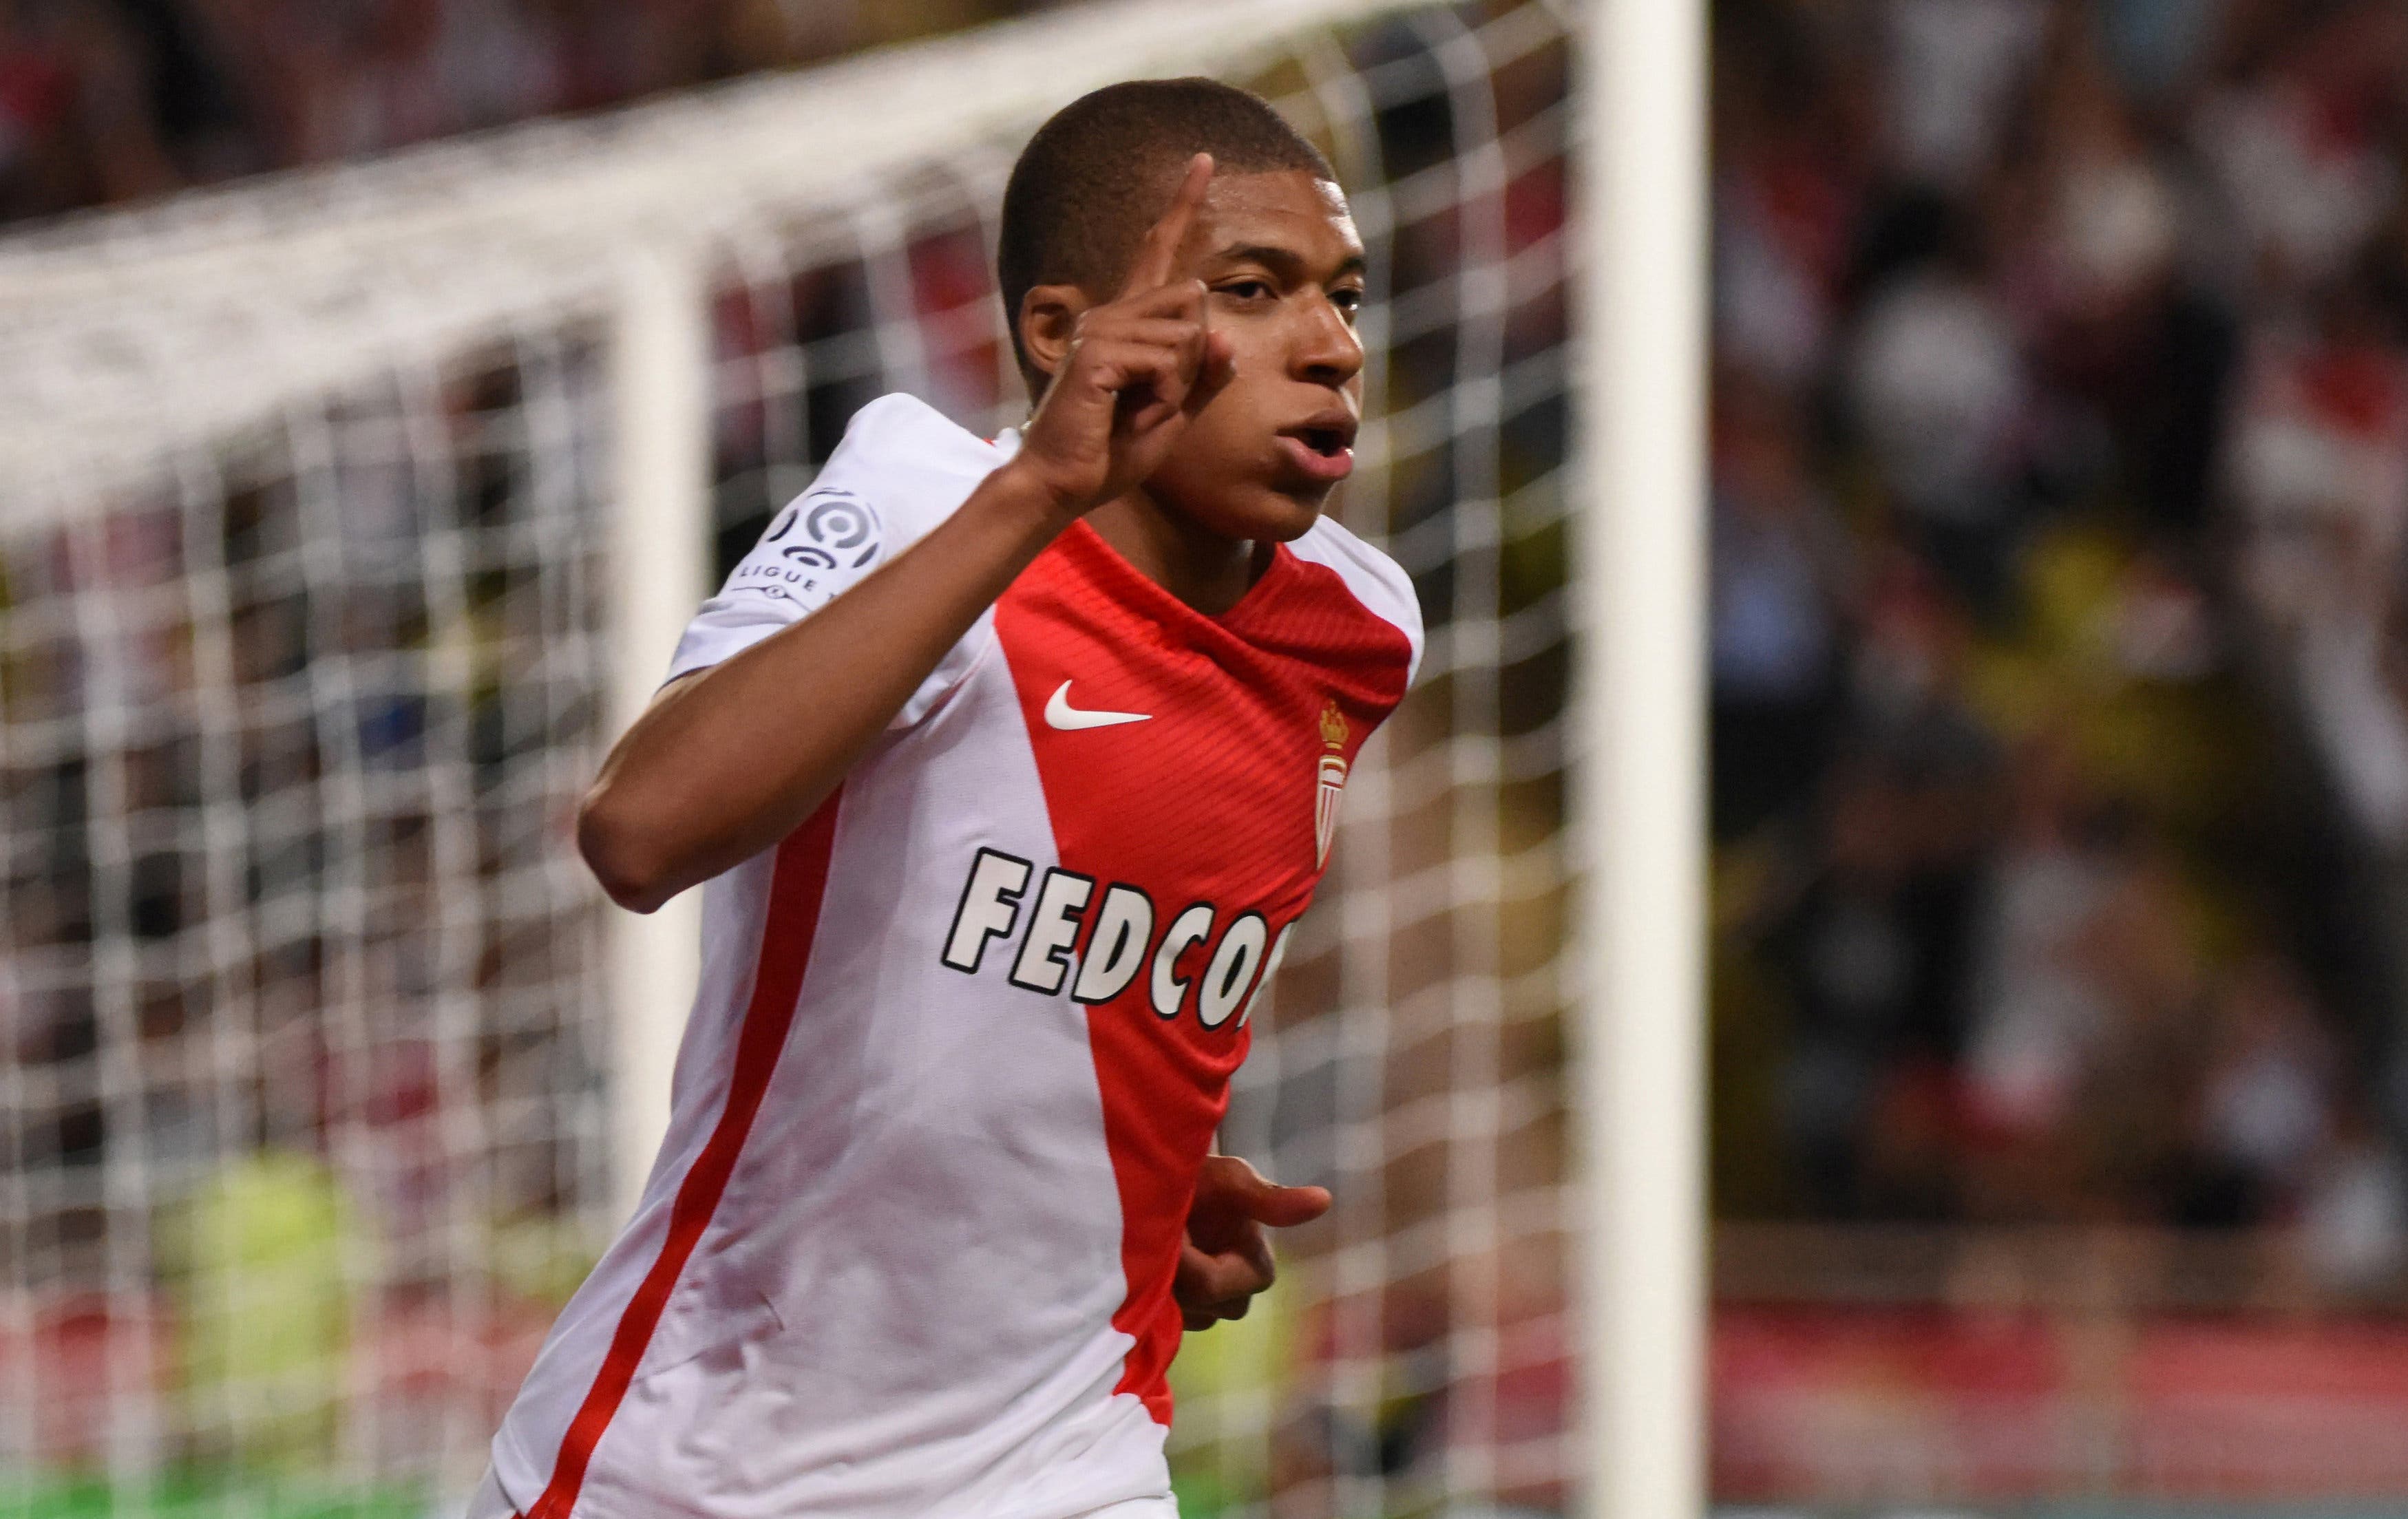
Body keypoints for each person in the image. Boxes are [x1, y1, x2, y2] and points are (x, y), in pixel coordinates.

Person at [470, 78, 1422, 1519]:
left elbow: (1077, 973)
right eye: (1253, 288)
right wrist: (1037, 490)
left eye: (1343, 296)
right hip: (699, 1467)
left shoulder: (1359, 630)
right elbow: (637, 830)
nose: (1333, 346)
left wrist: (1132, 1188)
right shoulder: (925, 501)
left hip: (1062, 1464)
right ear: (1061, 333)